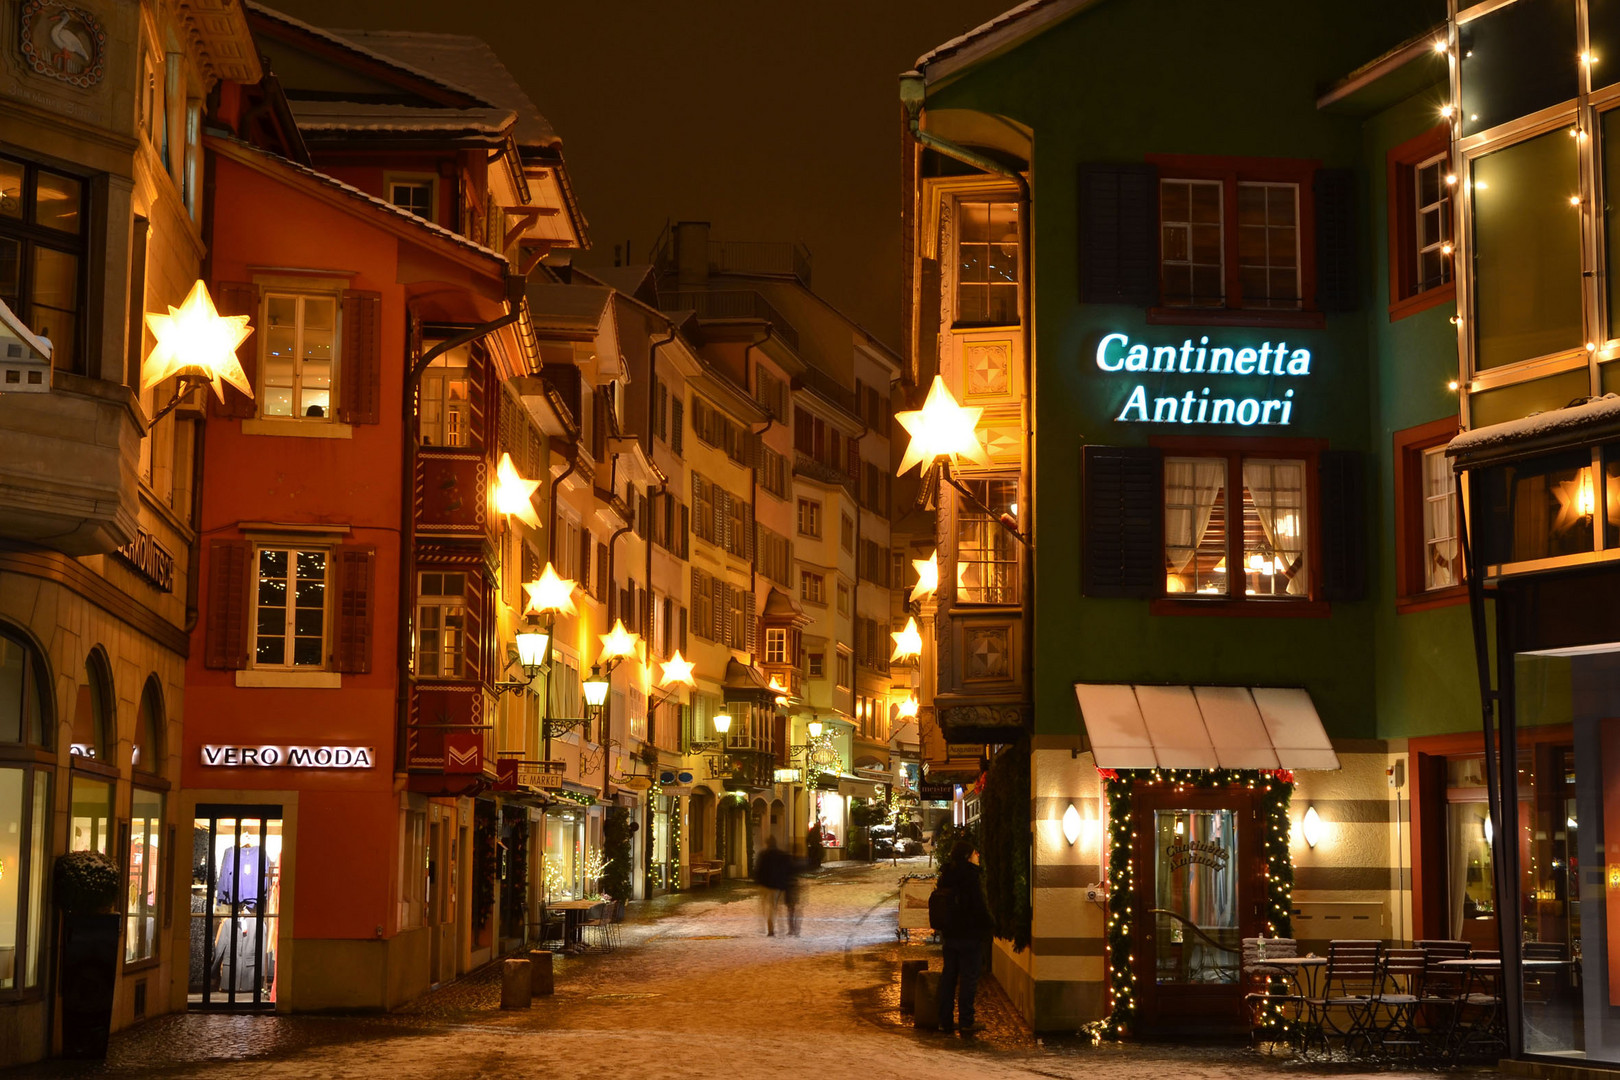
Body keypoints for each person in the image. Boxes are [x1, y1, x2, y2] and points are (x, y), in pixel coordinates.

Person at [934, 835, 993, 1035]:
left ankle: (945, 1021)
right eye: (975, 853)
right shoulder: (971, 876)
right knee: (969, 978)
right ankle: (966, 1021)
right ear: (968, 856)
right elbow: (978, 906)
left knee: (949, 977)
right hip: (969, 933)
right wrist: (990, 926)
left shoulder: (946, 875)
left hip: (950, 933)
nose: (978, 856)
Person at [753, 836, 793, 936]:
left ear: (767, 844)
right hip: (776, 885)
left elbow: (758, 869)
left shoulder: (763, 854)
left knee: (764, 906)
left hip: (765, 884)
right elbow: (786, 870)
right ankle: (772, 927)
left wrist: (757, 881)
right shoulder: (780, 855)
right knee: (773, 906)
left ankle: (767, 926)